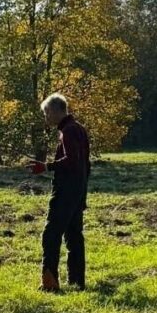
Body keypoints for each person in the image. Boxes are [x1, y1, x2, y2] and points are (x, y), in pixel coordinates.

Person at [28, 94, 91, 292]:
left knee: (51, 234)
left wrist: (46, 167)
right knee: (74, 236)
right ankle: (76, 281)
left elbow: (70, 161)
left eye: (46, 113)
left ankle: (50, 282)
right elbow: (84, 164)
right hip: (78, 190)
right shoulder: (79, 129)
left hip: (65, 192)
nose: (46, 117)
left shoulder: (68, 131)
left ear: (56, 110)